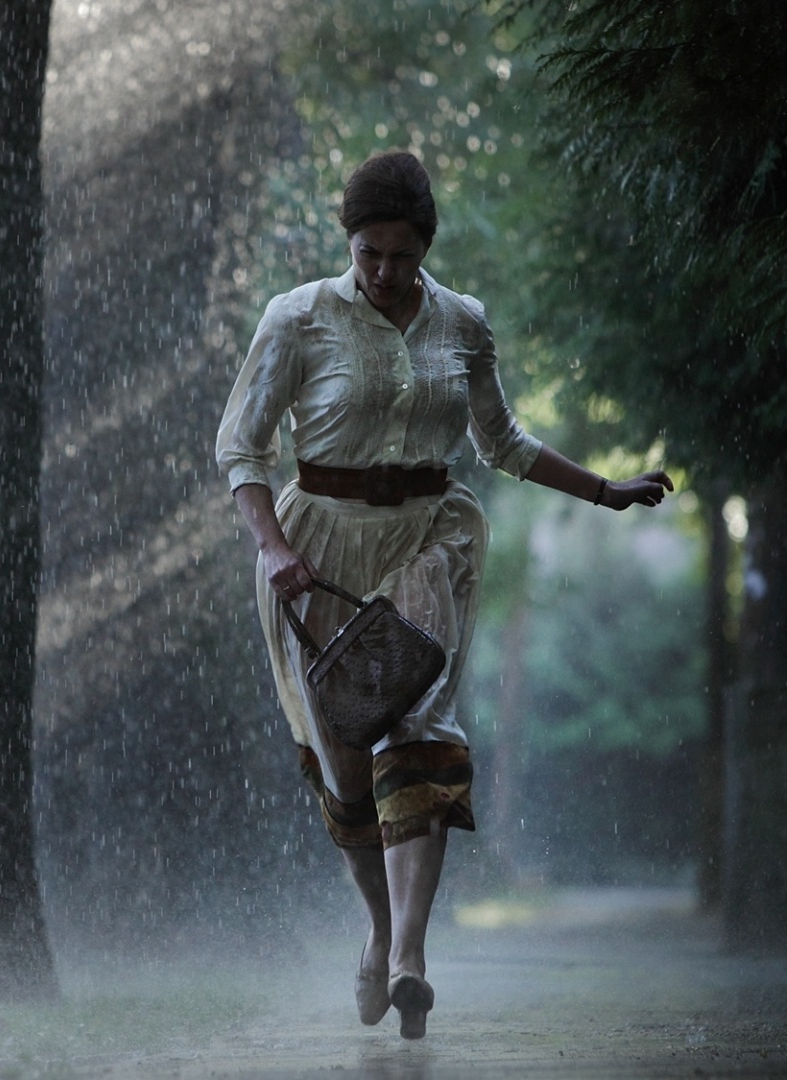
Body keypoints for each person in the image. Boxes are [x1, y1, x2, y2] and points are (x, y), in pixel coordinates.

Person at [215, 150, 672, 1040]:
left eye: (402, 256)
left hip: (430, 540)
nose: (384, 274)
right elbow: (242, 448)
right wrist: (271, 547)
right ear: (347, 244)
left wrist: (604, 491)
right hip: (317, 551)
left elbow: (501, 442)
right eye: (368, 255)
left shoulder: (462, 322)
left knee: (418, 730)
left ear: (426, 246)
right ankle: (379, 929)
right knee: (348, 762)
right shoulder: (297, 318)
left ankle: (411, 957)